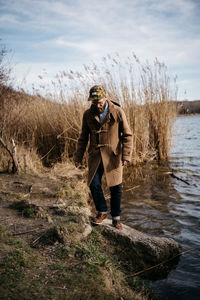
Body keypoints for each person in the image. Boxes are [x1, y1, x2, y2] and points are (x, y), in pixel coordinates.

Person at [74, 85, 133, 230]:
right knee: (93, 184)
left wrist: (126, 155)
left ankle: (116, 219)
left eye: (99, 101)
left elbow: (127, 135)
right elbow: (83, 137)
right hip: (95, 155)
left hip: (113, 156)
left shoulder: (118, 112)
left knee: (115, 187)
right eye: (94, 102)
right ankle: (102, 212)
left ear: (105, 97)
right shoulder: (87, 114)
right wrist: (78, 156)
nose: (97, 104)